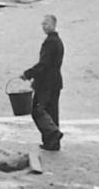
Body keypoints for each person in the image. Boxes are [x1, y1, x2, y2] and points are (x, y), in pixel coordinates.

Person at [20, 14, 65, 151]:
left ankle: (53, 133)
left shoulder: (50, 42)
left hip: (46, 83)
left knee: (37, 110)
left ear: (53, 25)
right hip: (56, 82)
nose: (44, 26)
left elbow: (44, 64)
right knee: (51, 112)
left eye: (46, 24)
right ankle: (52, 144)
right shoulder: (57, 41)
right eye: (42, 24)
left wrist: (28, 74)